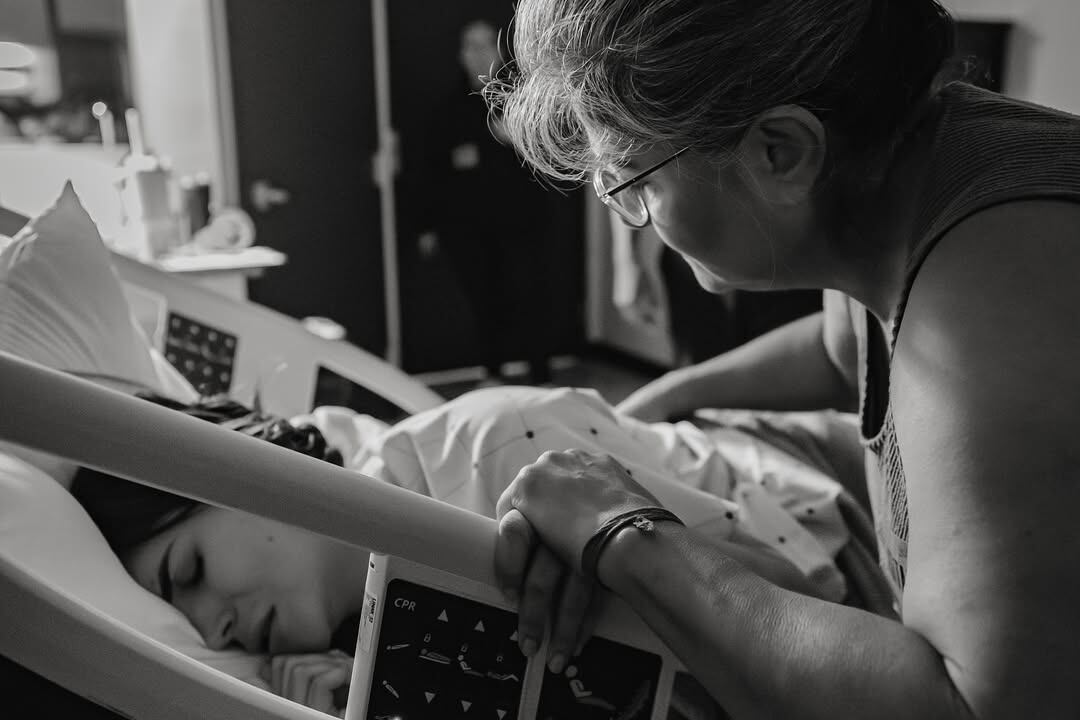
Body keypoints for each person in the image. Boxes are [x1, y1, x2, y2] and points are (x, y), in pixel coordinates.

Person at [483, 0, 1080, 717]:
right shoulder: (917, 165)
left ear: (780, 152)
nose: (632, 209)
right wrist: (678, 390)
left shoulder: (995, 290)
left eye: (636, 180)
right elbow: (843, 354)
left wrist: (623, 532)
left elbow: (964, 706)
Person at [72, 385, 876, 716]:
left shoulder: (495, 453)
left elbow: (804, 601)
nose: (213, 632)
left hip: (824, 501)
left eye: (192, 572)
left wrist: (617, 553)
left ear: (243, 460)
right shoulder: (353, 644)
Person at [416, 19, 554, 385]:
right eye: (470, 46)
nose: (479, 54)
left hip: (522, 223)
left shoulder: (526, 101)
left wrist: (514, 141)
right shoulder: (446, 110)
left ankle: (540, 375)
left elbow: (554, 157)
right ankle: (492, 373)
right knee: (483, 299)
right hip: (467, 228)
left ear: (499, 49)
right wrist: (428, 226)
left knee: (529, 295)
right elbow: (433, 173)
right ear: (461, 55)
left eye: (485, 44)